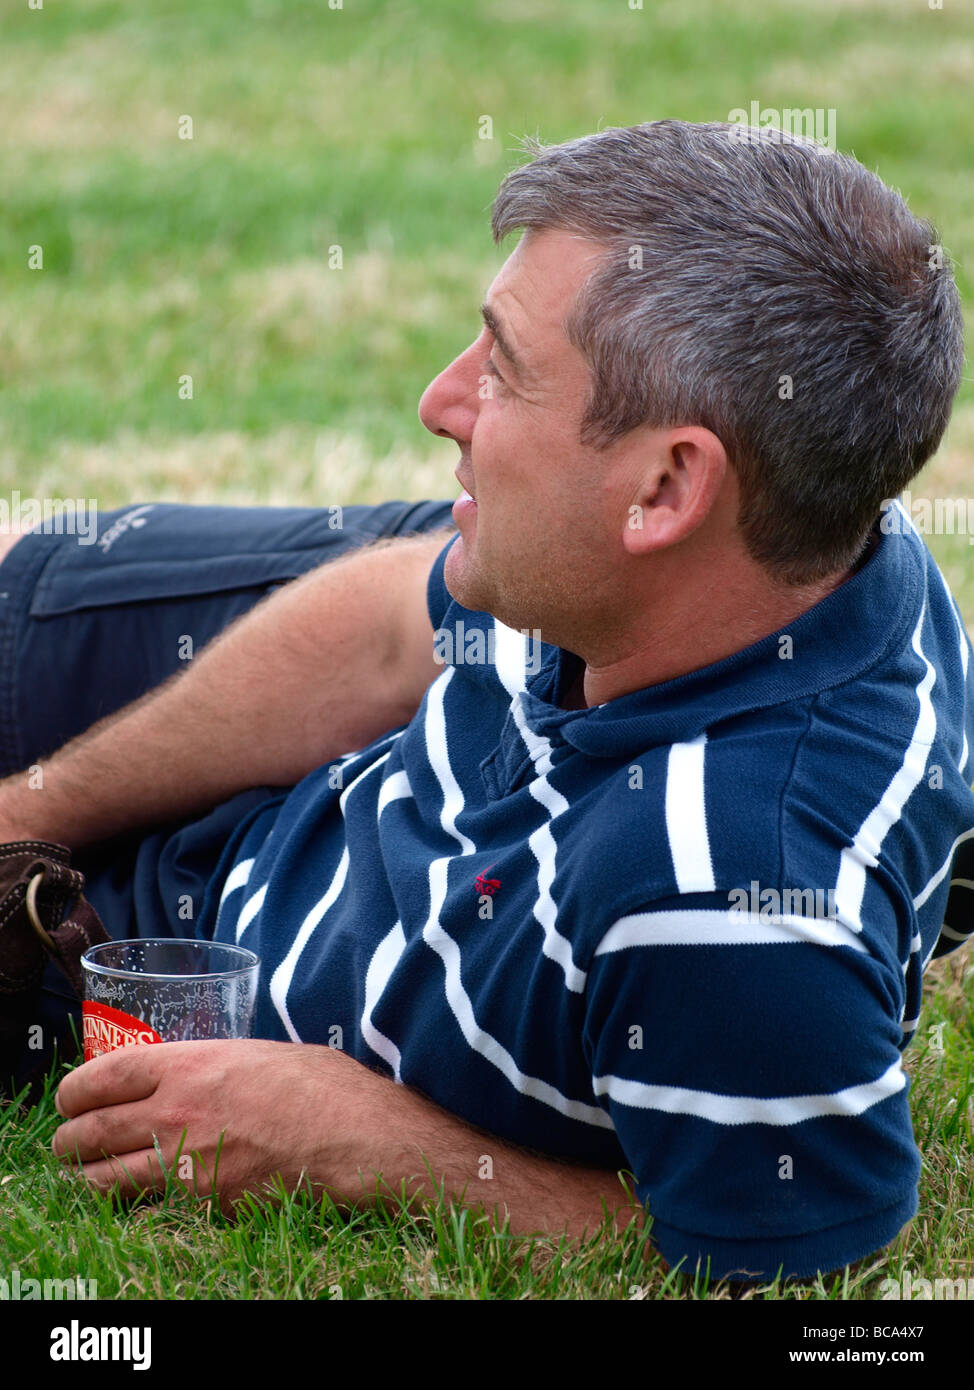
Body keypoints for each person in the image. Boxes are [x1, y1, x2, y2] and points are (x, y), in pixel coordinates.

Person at [0, 119, 971, 1286]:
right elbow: (381, 638)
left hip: (152, 946)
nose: (436, 402)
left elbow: (772, 1263)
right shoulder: (801, 545)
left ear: (666, 485)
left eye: (503, 368)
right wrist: (40, 800)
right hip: (298, 694)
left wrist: (360, 1142)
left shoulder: (726, 892)